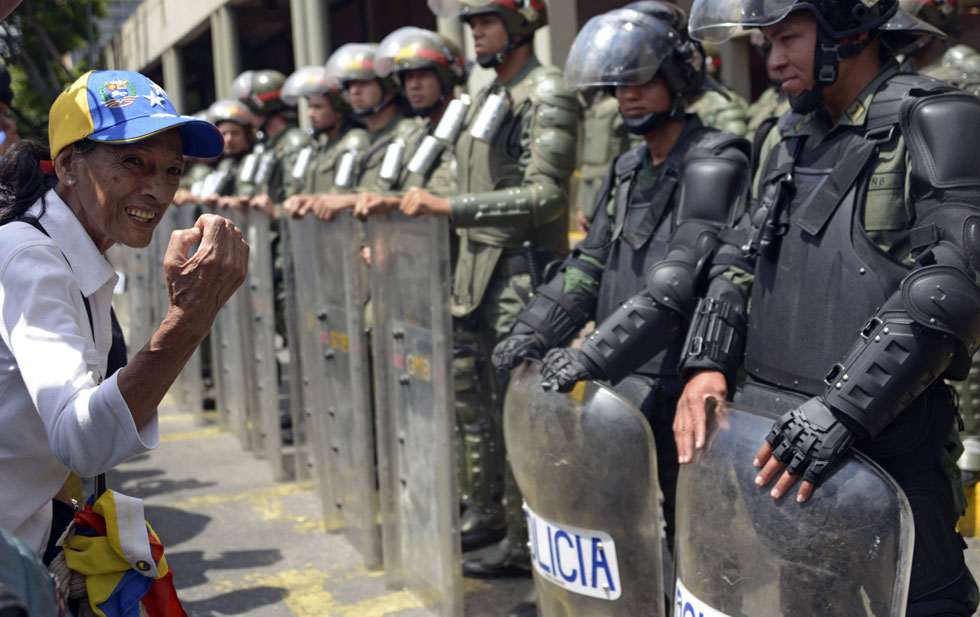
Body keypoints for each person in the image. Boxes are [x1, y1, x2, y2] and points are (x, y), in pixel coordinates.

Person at [677, 0, 980, 612]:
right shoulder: (786, 135)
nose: (774, 60)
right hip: (778, 443)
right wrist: (707, 362)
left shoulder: (936, 117)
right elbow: (740, 257)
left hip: (886, 451)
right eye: (766, 43)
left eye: (788, 37)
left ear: (852, 28)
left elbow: (957, 280)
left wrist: (841, 408)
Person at [493, 0, 751, 553]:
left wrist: (588, 356)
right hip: (621, 382)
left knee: (696, 540)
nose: (628, 93)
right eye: (620, 83)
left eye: (643, 78)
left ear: (678, 77)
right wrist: (533, 329)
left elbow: (676, 286)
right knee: (622, 530)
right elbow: (590, 263)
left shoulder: (718, 159)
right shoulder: (628, 168)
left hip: (681, 382)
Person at [0, 70, 248, 559]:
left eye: (172, 170)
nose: (157, 190)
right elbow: (82, 439)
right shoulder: (31, 258)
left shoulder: (72, 250)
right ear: (70, 164)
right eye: (133, 162)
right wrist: (188, 320)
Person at [413, 2, 579, 608]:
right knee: (486, 409)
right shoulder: (485, 95)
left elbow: (546, 197)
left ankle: (537, 547)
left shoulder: (549, 91)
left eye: (486, 22)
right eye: (472, 23)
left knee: (527, 419)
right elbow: (453, 175)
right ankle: (510, 534)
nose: (476, 33)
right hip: (477, 277)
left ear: (519, 25)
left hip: (521, 280)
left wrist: (451, 211)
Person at [354, 26, 468, 217]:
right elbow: (387, 188)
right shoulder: (414, 137)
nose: (414, 85)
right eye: (408, 77)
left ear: (445, 77)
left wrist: (393, 203)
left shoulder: (468, 128)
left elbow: (461, 192)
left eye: (423, 75)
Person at [309, 43, 418, 224]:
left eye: (364, 83)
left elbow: (409, 195)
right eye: (350, 85)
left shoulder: (407, 133)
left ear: (388, 87)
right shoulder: (361, 138)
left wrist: (350, 200)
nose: (354, 91)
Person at [280, 66, 369, 215]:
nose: (310, 113)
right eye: (310, 106)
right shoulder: (319, 146)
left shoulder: (353, 141)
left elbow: (340, 194)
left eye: (318, 107)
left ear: (338, 110)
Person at [573, 89, 636, 233]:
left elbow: (638, 150)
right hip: (591, 196)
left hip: (614, 194)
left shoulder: (617, 106)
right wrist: (582, 205)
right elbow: (588, 165)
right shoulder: (593, 106)